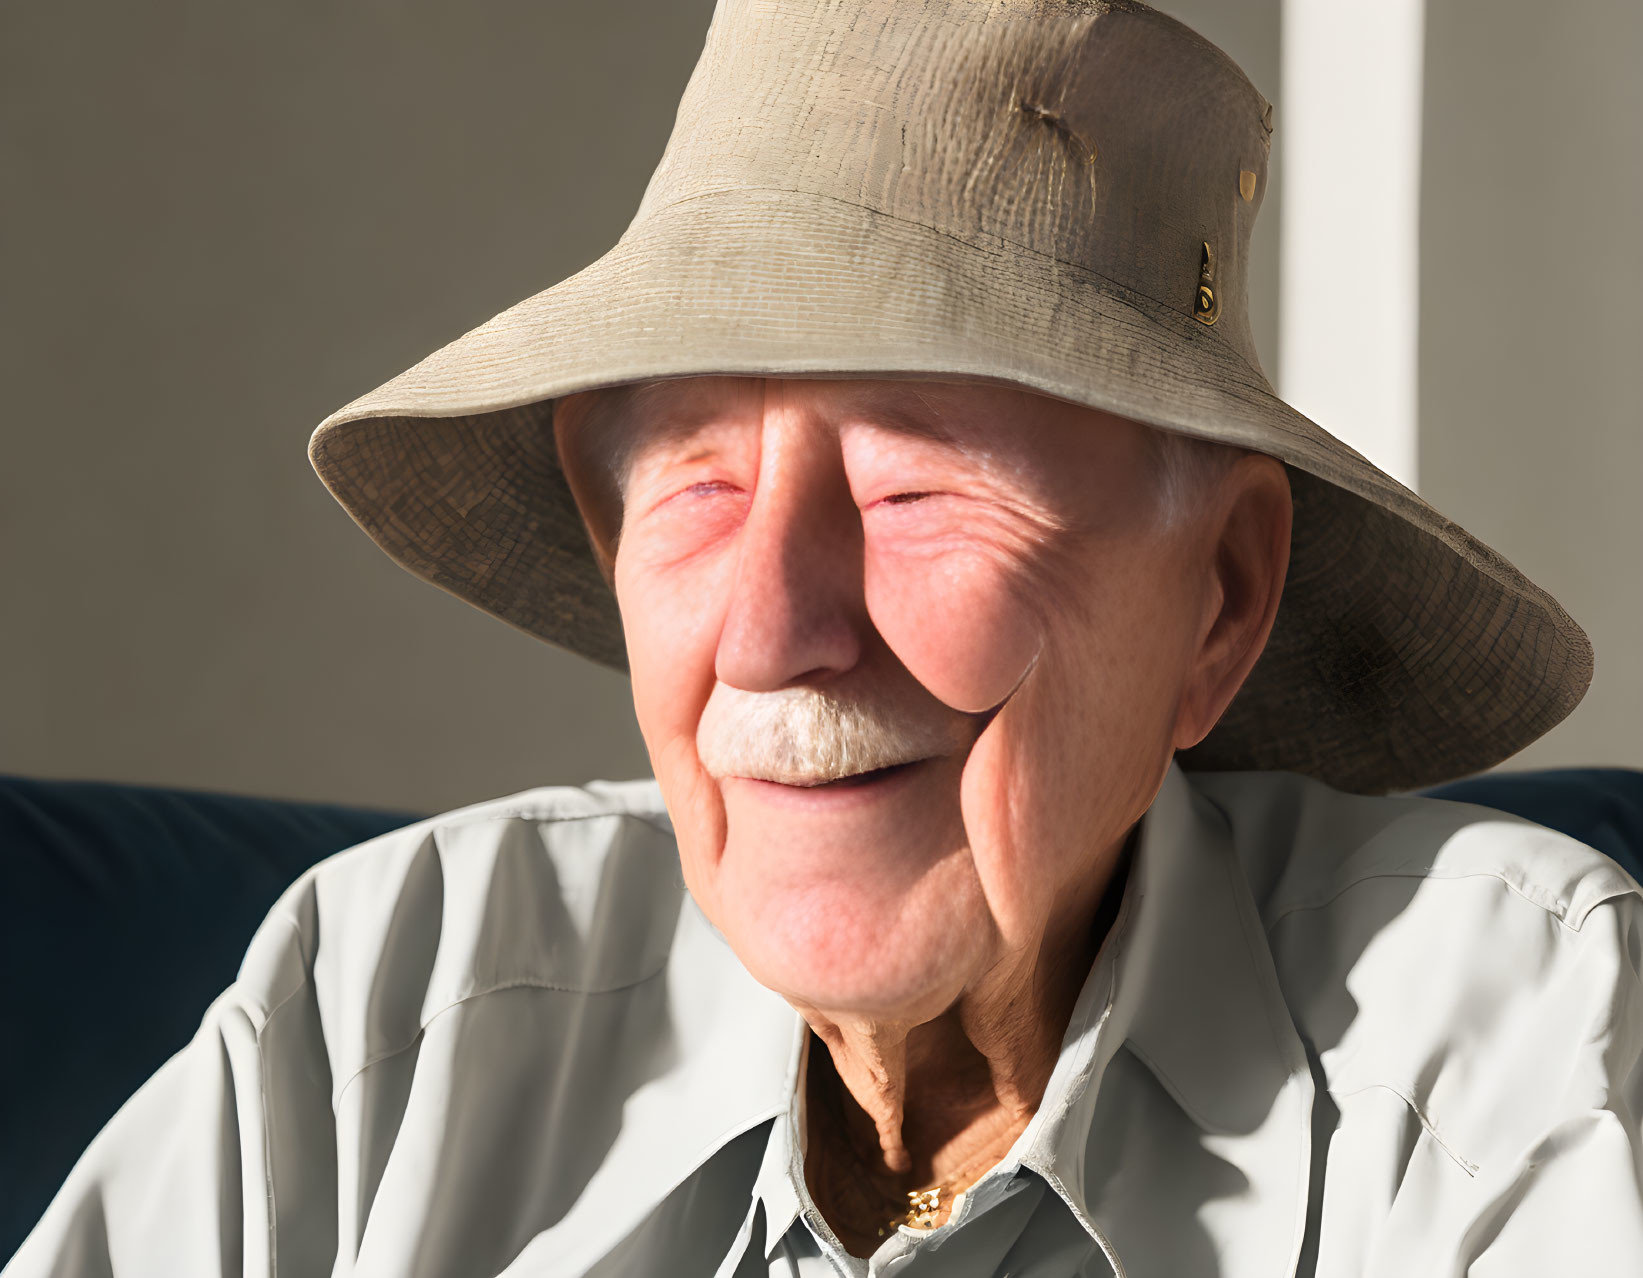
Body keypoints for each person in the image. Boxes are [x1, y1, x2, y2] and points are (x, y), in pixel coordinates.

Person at [9, 2, 1641, 1275]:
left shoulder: (1510, 1047)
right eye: (700, 479)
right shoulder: (381, 1021)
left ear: (1217, 596)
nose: (775, 628)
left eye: (921, 482)